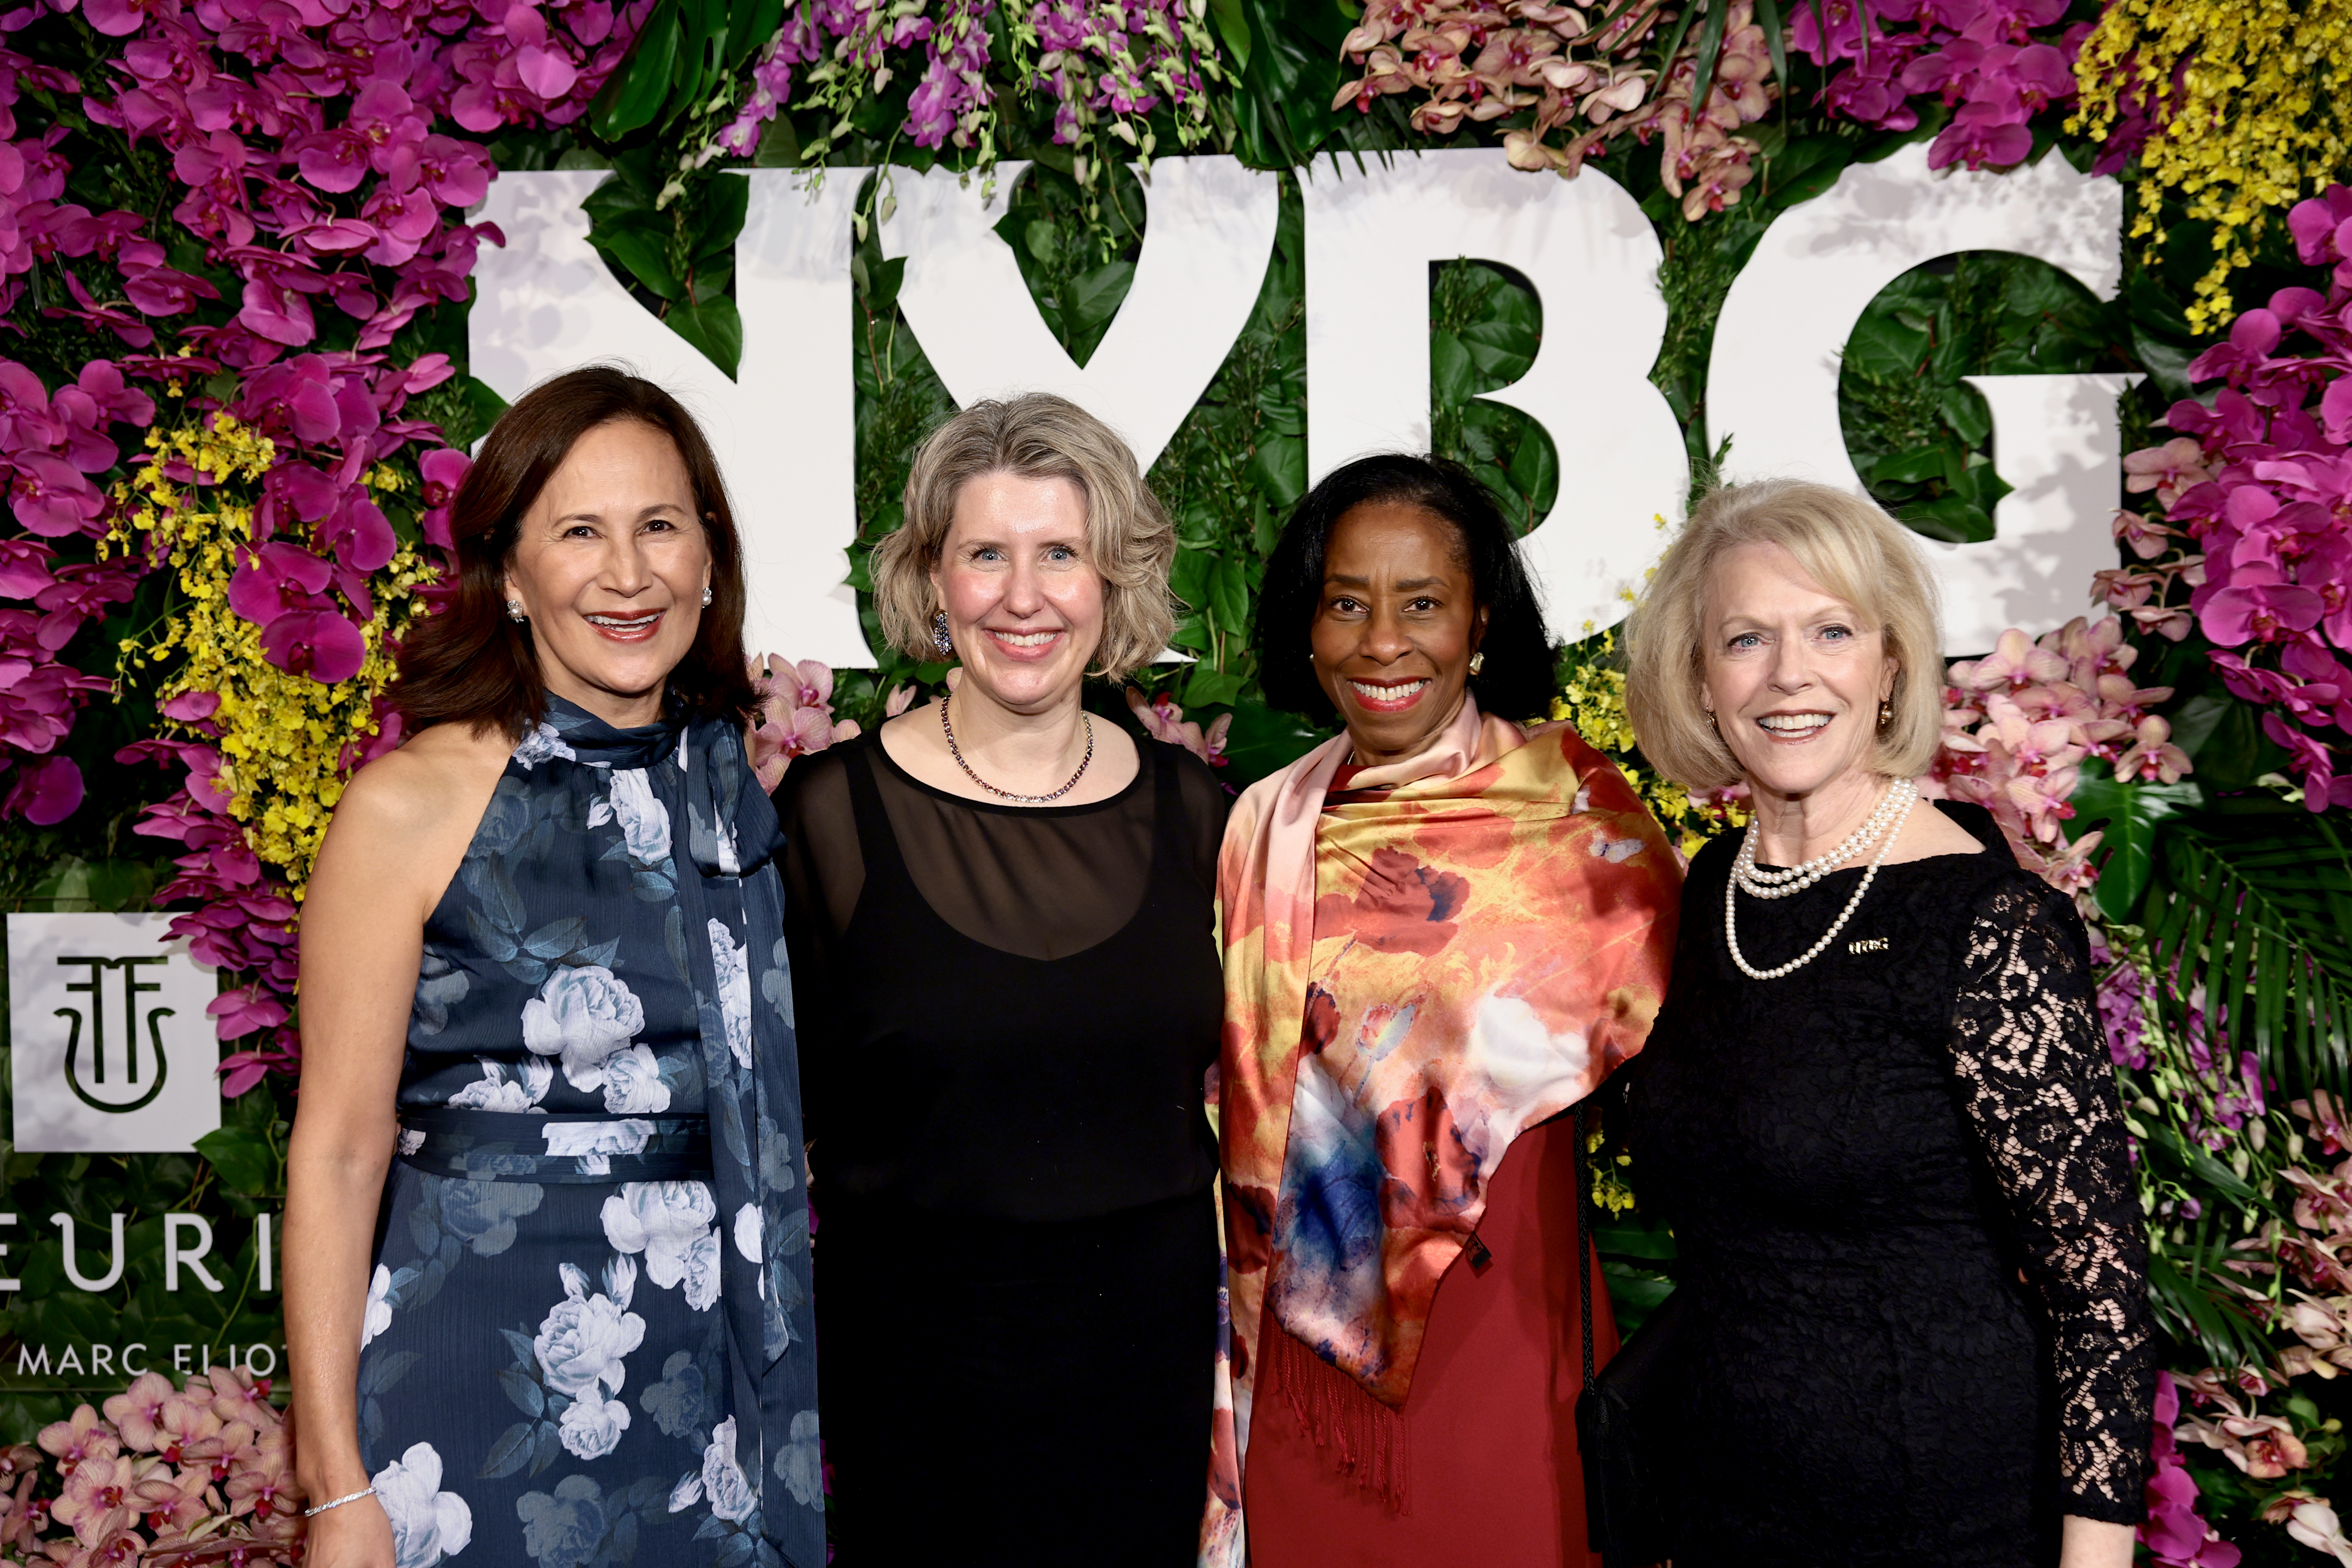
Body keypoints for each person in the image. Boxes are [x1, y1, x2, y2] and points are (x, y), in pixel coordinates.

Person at [286, 366, 821, 1568]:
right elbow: (336, 1148)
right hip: (470, 1384)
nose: (627, 574)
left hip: (715, 1392)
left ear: (710, 560)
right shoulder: (410, 804)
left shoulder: (739, 792)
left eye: (659, 527)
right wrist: (333, 1486)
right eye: (579, 531)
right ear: (512, 574)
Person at [1619, 478, 2153, 1568]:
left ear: (1890, 665)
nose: (1788, 674)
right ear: (1699, 680)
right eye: (1745, 638)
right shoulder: (1718, 886)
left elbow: (2097, 1293)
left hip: (1938, 1516)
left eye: (1830, 630)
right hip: (1724, 1509)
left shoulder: (1984, 919)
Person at [1202, 454, 1682, 1568]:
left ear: (1478, 623)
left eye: (1421, 602)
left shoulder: (1579, 821)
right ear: (1308, 626)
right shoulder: (1258, 828)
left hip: (1506, 1331)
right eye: (1347, 603)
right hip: (1298, 1359)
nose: (1383, 641)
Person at [775, 393, 1230, 1566]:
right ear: (932, 579)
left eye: (1060, 554)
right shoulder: (826, 822)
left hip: (1144, 1376)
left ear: (1112, 580)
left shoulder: (1208, 824)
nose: (1023, 597)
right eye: (986, 553)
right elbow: (783, 1123)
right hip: (917, 1380)